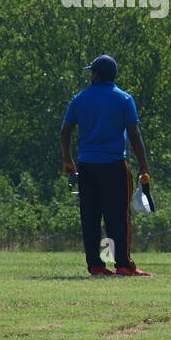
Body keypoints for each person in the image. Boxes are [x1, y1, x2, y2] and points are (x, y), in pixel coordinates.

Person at [60, 55, 153, 276]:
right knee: (118, 217)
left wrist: (67, 158)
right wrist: (144, 165)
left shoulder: (80, 98)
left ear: (96, 74)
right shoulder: (124, 99)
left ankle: (96, 265)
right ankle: (122, 264)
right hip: (114, 166)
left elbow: (65, 131)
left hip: (87, 166)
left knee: (90, 216)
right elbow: (133, 133)